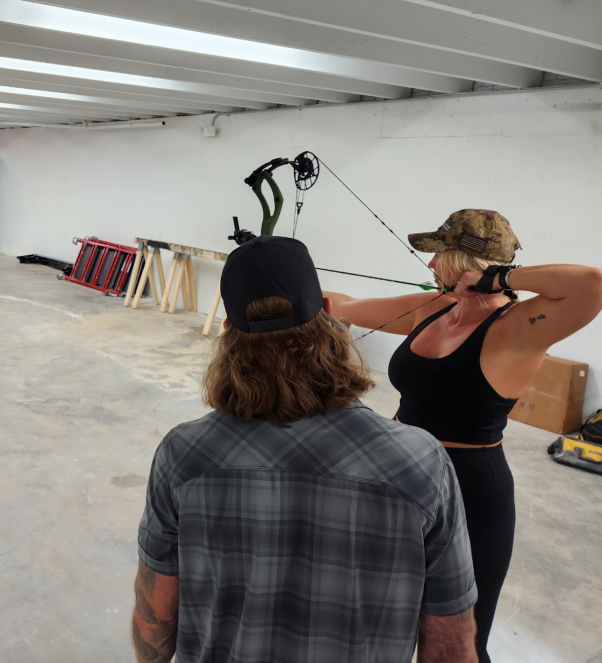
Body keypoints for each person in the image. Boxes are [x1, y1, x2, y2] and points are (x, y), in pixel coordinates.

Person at [133, 235, 479, 663]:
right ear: (329, 316)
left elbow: (156, 619)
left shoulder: (183, 455)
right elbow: (450, 644)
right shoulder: (419, 460)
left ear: (226, 332)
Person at [323, 209, 602, 663]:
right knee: (373, 615)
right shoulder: (436, 309)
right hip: (396, 479)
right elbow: (344, 306)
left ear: (467, 263)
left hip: (470, 490)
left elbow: (593, 283)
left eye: (439, 256)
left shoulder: (519, 327)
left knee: (459, 642)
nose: (431, 266)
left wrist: (502, 278)